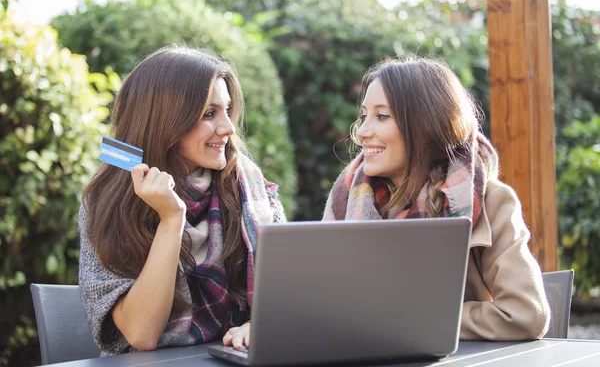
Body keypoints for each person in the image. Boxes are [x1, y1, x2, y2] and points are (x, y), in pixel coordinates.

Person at [323, 57, 551, 341]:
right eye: (363, 116)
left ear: (424, 124)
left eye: (382, 116)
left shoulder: (491, 201)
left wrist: (412, 320)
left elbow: (525, 314)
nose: (362, 132)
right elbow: (326, 306)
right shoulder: (346, 198)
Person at [79, 45, 285, 355]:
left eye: (227, 110)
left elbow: (289, 299)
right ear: (165, 122)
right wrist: (171, 219)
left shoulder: (252, 191)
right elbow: (141, 334)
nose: (228, 127)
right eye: (209, 113)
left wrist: (260, 324)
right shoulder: (106, 204)